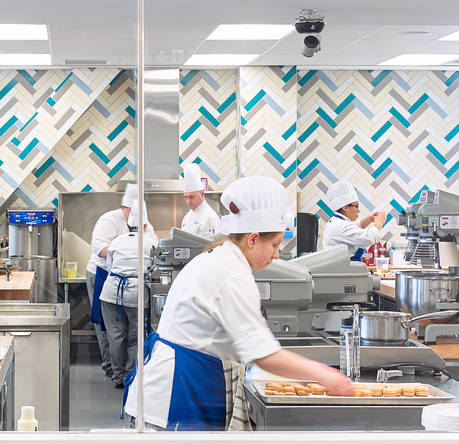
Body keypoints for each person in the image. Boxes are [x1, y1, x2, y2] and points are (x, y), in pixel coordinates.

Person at [123, 176, 354, 429]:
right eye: (275, 245)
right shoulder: (232, 273)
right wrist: (326, 375)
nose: (276, 255)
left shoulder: (219, 257)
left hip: (172, 390)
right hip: (174, 397)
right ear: (253, 238)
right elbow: (263, 354)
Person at [86, 184, 139, 384]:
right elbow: (99, 248)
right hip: (101, 274)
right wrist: (125, 253)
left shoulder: (143, 222)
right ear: (124, 207)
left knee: (124, 331)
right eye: (131, 211)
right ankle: (110, 367)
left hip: (126, 280)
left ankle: (125, 371)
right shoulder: (109, 220)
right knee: (104, 324)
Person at [98, 219, 148, 389]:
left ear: (127, 225)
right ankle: (130, 376)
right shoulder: (151, 242)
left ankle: (118, 376)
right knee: (135, 337)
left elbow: (110, 266)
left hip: (112, 292)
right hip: (137, 294)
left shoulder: (117, 241)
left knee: (115, 336)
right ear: (146, 226)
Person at [319, 179, 398, 262]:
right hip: (345, 271)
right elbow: (368, 238)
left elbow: (354, 226)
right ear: (345, 208)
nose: (358, 210)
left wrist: (369, 219)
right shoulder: (342, 226)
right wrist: (379, 223)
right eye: (356, 206)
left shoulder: (336, 222)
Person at [178, 164, 219, 236]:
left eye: (192, 197)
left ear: (202, 194)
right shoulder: (187, 217)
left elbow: (209, 246)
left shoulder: (209, 217)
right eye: (186, 197)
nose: (188, 201)